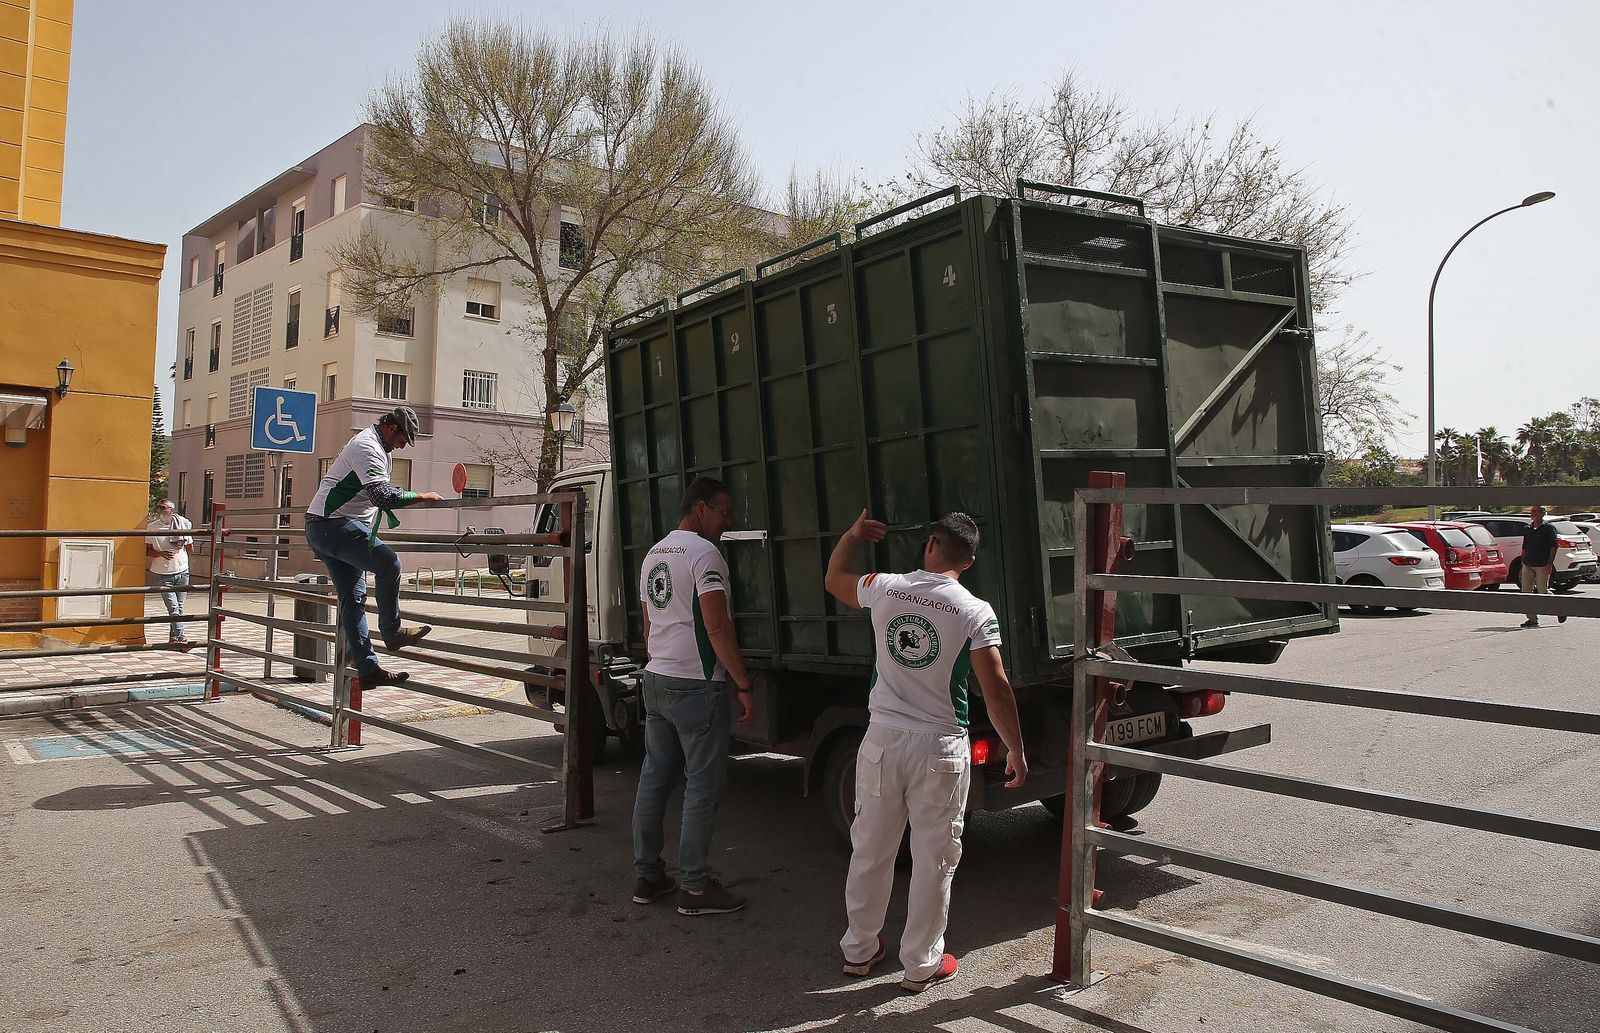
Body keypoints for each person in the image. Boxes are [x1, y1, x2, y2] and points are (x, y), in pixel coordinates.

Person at [824, 510, 1027, 993]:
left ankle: (859, 948)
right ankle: (920, 963)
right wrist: (1014, 748)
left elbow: (833, 579)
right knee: (934, 856)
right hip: (940, 745)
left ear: (931, 543)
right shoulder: (975, 611)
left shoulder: (884, 587)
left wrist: (852, 535)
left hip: (881, 739)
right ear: (970, 562)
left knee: (871, 847)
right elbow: (995, 687)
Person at [631, 476, 756, 917]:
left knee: (654, 779)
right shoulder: (705, 554)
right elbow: (717, 627)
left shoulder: (653, 554)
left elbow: (648, 624)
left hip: (657, 676)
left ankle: (648, 877)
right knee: (701, 786)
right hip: (697, 683)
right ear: (700, 509)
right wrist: (742, 683)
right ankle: (696, 888)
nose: (727, 521)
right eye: (723, 512)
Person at [304, 406, 440, 687]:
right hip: (334, 525)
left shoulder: (377, 446)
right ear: (392, 428)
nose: (402, 446)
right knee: (389, 564)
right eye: (403, 439)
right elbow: (381, 495)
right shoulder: (368, 446)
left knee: (353, 601)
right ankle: (393, 633)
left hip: (324, 527)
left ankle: (368, 669)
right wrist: (421, 496)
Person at [146, 498, 195, 648]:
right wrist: (160, 553)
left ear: (171, 510)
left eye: (163, 507)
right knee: (173, 607)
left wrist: (183, 559)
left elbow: (190, 547)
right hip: (163, 573)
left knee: (178, 607)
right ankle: (182, 638)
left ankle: (173, 639)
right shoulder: (152, 527)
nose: (159, 510)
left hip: (182, 571)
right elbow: (147, 550)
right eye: (158, 507)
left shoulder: (182, 524)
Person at [1519, 505, 1566, 628]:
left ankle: (1559, 609)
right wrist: (1523, 561)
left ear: (1542, 513)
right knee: (1525, 593)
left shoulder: (1549, 529)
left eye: (1535, 511)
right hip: (1528, 563)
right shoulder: (1527, 528)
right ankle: (1532, 619)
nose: (1532, 513)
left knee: (1542, 591)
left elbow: (1553, 546)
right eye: (1531, 511)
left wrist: (1550, 563)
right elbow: (1524, 546)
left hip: (1542, 563)